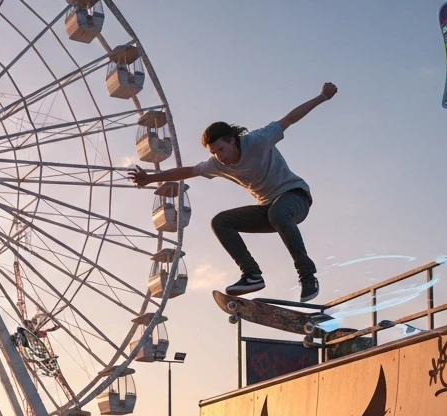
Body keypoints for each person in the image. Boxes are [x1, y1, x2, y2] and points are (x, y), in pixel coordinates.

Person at [128, 82, 338, 302]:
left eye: (221, 149)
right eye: (214, 152)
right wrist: (149, 178)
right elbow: (188, 171)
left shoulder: (259, 140)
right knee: (220, 221)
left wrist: (322, 97)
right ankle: (252, 275)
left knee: (278, 213)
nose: (220, 156)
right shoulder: (218, 164)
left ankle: (307, 276)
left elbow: (289, 119)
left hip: (295, 197)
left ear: (232, 140)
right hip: (267, 208)